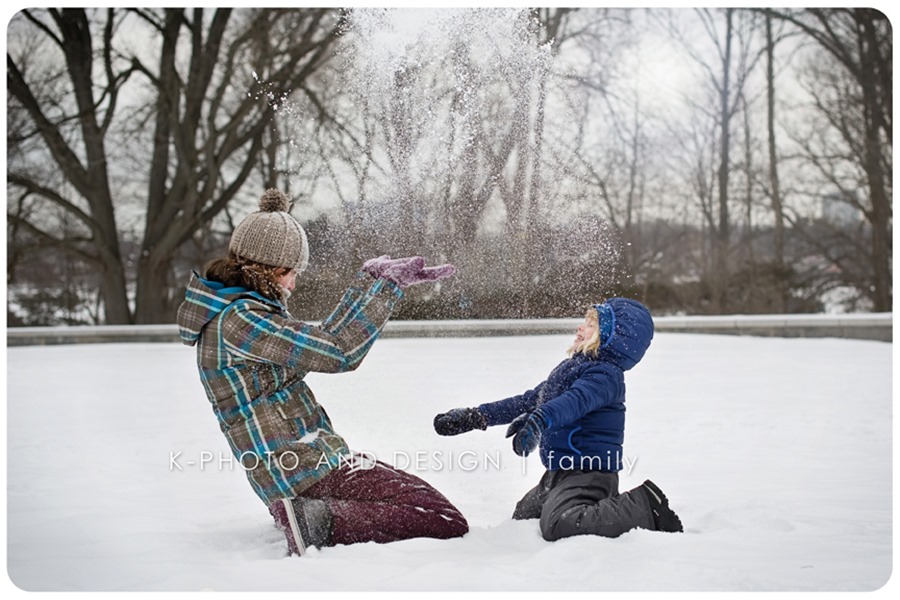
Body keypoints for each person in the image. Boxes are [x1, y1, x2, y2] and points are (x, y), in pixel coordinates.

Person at [177, 188, 468, 556]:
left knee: (425, 505)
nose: (294, 284)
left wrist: (370, 281)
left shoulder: (240, 315)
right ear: (269, 269)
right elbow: (339, 352)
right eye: (291, 273)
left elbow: (322, 342)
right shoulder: (240, 322)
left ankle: (312, 515)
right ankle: (314, 521)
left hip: (310, 465)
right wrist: (385, 290)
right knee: (441, 517)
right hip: (303, 473)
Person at [433, 298, 683, 541]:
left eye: (591, 325)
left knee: (558, 524)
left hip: (589, 473)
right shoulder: (573, 368)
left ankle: (645, 506)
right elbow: (529, 400)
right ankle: (592, 506)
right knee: (523, 518)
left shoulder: (606, 376)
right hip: (558, 473)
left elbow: (575, 401)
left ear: (611, 338)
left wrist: (540, 420)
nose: (580, 328)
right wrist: (477, 416)